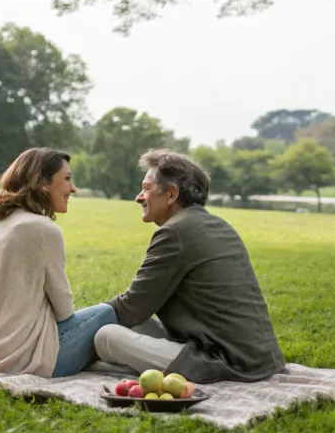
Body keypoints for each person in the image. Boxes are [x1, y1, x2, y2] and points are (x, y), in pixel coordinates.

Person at [94, 149, 285, 384]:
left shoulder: (175, 232)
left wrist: (75, 325)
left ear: (172, 193)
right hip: (259, 358)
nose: (139, 197)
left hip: (226, 361)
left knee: (106, 336)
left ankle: (99, 361)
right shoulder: (216, 224)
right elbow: (138, 310)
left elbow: (129, 308)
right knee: (131, 322)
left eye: (146, 188)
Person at [0, 148, 117, 378]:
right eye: (66, 179)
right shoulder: (43, 229)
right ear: (43, 183)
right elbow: (64, 311)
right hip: (20, 358)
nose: (73, 188)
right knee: (107, 313)